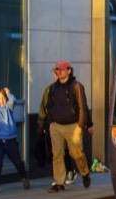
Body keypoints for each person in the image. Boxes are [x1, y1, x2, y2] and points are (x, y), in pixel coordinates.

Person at [38, 60, 92, 192]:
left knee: (76, 153)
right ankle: (59, 182)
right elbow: (48, 106)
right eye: (57, 69)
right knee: (57, 154)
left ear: (69, 70)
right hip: (56, 125)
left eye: (62, 69)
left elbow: (83, 107)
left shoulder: (76, 86)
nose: (59, 71)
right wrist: (48, 124)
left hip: (73, 126)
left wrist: (83, 125)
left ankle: (85, 173)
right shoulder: (52, 88)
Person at [0, 85, 29, 193]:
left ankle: (23, 177)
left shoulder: (8, 107)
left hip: (10, 140)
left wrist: (8, 92)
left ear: (5, 99)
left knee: (18, 162)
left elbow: (14, 100)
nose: (0, 101)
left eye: (2, 98)